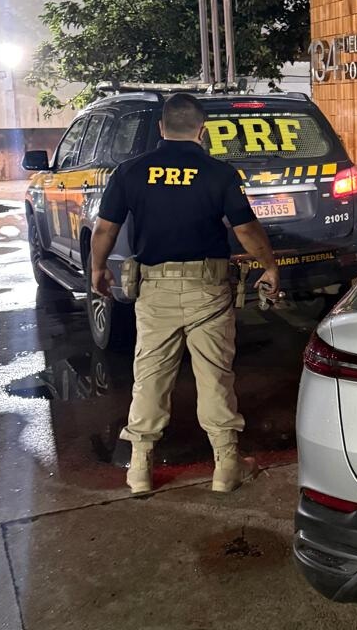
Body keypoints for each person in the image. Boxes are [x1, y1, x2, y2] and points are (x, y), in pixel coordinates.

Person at [90, 92, 280, 495]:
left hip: (154, 289)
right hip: (207, 289)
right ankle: (226, 467)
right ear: (202, 131)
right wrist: (269, 265)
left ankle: (140, 469)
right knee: (214, 375)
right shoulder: (218, 173)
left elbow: (105, 228)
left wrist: (97, 268)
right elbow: (245, 229)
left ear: (161, 128)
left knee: (150, 375)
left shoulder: (130, 171)